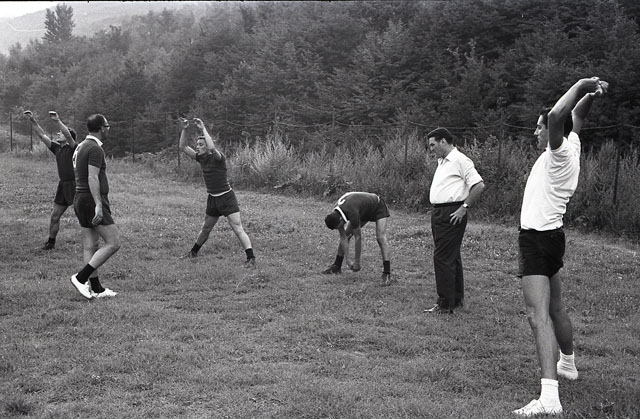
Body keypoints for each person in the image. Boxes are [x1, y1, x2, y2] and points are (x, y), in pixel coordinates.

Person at [513, 77, 608, 417]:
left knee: (536, 316)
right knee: (556, 307)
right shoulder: (574, 144)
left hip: (537, 239)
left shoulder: (559, 153)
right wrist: (591, 94)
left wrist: (581, 83)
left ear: (553, 131)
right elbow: (575, 116)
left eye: (539, 128)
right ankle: (567, 364)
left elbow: (558, 115)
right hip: (553, 237)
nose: (536, 132)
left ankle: (549, 398)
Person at [178, 117, 256, 267]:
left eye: (201, 145)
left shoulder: (218, 158)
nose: (197, 147)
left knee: (237, 228)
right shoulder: (201, 158)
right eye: (197, 144)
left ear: (207, 146)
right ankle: (193, 252)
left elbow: (213, 148)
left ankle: (251, 258)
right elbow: (183, 146)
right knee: (206, 228)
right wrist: (185, 129)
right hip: (213, 199)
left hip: (226, 198)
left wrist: (203, 128)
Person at [424, 127, 485, 314]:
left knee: (442, 257)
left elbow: (479, 185)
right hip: (439, 212)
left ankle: (445, 304)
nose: (431, 149)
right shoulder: (442, 162)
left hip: (452, 212)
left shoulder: (460, 160)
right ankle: (456, 299)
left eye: (433, 145)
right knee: (452, 255)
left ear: (443, 141)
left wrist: (464, 208)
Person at [69, 114, 121, 299]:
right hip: (91, 200)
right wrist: (98, 204)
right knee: (113, 242)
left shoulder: (81, 146)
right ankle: (80, 278)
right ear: (101, 128)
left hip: (80, 198)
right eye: (107, 126)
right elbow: (92, 177)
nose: (108, 129)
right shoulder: (95, 148)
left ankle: (96, 289)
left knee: (90, 245)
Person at [24, 110, 77, 250]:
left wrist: (57, 120)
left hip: (75, 185)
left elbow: (67, 135)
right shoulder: (57, 148)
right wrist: (33, 120)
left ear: (68, 137)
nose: (58, 134)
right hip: (63, 185)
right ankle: (50, 243)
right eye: (58, 133)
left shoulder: (73, 148)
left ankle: (97, 238)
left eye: (61, 133)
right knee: (55, 216)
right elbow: (42, 135)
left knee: (85, 216)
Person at [323, 191, 392, 286]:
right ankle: (337, 266)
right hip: (363, 210)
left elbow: (358, 237)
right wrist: (348, 261)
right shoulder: (335, 214)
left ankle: (387, 273)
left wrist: (357, 262)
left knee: (380, 238)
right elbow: (343, 237)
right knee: (347, 233)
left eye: (339, 226)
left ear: (340, 219)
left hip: (377, 206)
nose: (339, 228)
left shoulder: (351, 212)